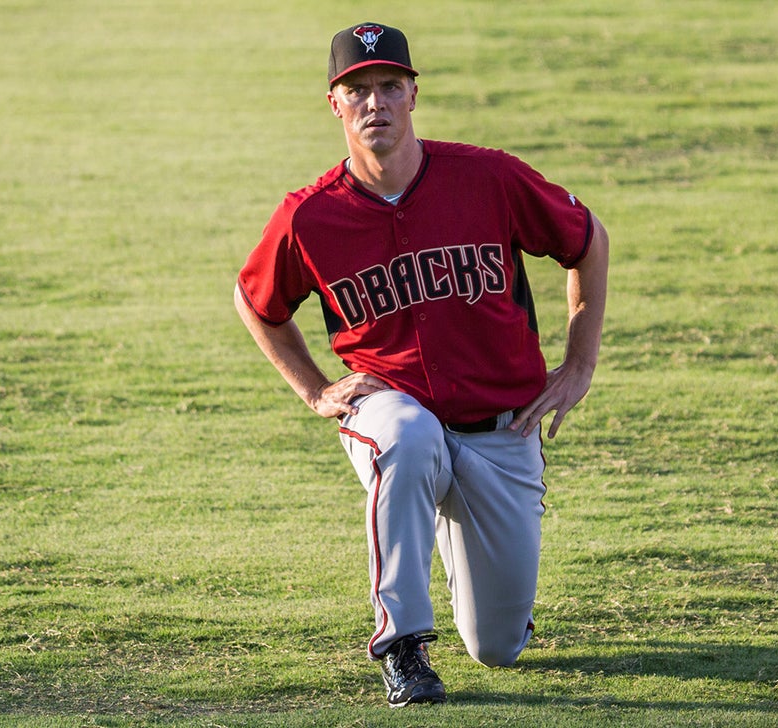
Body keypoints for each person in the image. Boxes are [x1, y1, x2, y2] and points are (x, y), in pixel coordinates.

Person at [233, 21, 610, 708]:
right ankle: (401, 643)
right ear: (335, 106)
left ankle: (448, 528)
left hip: (502, 429)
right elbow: (254, 299)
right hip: (391, 406)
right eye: (357, 91)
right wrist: (315, 389)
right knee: (405, 439)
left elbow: (587, 241)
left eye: (387, 86)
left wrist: (579, 362)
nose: (373, 102)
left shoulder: (488, 177)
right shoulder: (309, 217)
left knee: (498, 648)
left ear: (412, 95)